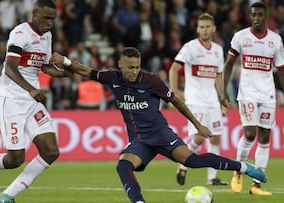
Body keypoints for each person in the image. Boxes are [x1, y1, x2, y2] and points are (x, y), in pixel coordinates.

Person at [51, 47, 267, 203]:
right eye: (129, 68)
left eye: (137, 67)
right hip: (139, 140)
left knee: (192, 161)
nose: (134, 71)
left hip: (161, 134)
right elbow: (86, 71)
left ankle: (243, 167)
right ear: (120, 66)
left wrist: (198, 125)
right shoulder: (112, 78)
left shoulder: (151, 81)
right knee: (123, 165)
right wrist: (66, 62)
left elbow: (176, 101)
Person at [0, 1, 73, 202]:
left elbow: (44, 66)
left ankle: (6, 196)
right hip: (10, 98)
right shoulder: (20, 33)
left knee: (51, 151)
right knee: (15, 159)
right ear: (34, 13)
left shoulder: (47, 36)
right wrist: (31, 89)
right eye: (46, 18)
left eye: (53, 19)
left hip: (30, 101)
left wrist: (67, 73)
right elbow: (10, 68)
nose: (50, 23)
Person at [222, 2, 284, 195]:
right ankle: (238, 170)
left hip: (267, 95)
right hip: (247, 93)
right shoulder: (241, 37)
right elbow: (229, 64)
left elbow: (281, 70)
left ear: (266, 17)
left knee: (265, 137)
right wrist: (223, 91)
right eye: (253, 15)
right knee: (250, 134)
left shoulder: (275, 40)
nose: (256, 18)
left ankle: (257, 184)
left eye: (259, 15)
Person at [169, 13, 227, 186]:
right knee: (201, 137)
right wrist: (175, 92)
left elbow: (218, 76)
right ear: (197, 29)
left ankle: (212, 177)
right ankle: (182, 163)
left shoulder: (218, 50)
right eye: (201, 27)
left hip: (212, 101)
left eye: (207, 26)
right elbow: (174, 69)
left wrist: (222, 97)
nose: (204, 30)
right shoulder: (190, 48)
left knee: (216, 137)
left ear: (213, 28)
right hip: (195, 100)